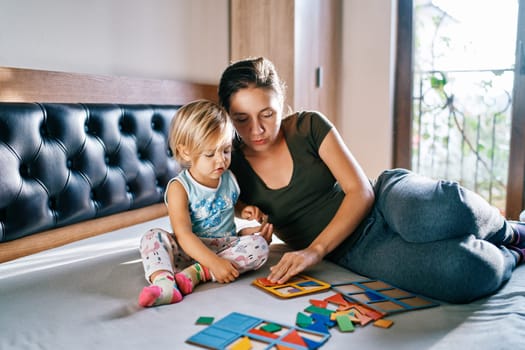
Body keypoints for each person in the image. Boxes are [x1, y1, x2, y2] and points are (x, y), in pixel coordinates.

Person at [217, 56, 525, 303]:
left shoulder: (307, 126)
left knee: (441, 212)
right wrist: (249, 217)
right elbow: (196, 202)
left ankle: (508, 230)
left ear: (281, 101)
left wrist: (315, 250)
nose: (257, 129)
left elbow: (360, 191)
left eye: (267, 114)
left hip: (385, 200)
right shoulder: (228, 165)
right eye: (242, 119)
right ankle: (512, 254)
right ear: (227, 117)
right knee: (462, 272)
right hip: (357, 250)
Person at [138, 99, 272, 307]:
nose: (221, 161)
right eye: (210, 154)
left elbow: (229, 203)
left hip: (225, 245)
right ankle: (165, 284)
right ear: (185, 152)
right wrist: (214, 262)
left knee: (260, 245)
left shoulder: (228, 178)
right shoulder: (179, 188)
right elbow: (183, 234)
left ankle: (196, 274)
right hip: (189, 248)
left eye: (226, 150)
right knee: (151, 237)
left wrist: (243, 210)